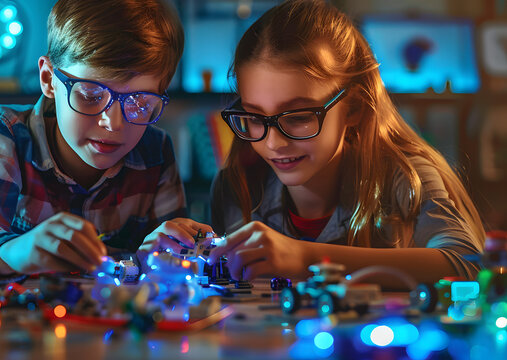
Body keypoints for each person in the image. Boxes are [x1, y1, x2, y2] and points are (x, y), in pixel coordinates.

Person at [0, 0, 211, 290]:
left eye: (139, 102)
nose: (114, 124)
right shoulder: (3, 134)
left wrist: (166, 255)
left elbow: (167, 261)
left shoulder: (156, 152)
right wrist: (22, 251)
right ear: (48, 79)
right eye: (92, 95)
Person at [207, 0, 485, 289]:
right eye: (254, 117)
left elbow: (468, 265)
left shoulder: (406, 176)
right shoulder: (235, 188)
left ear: (354, 107)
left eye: (300, 116)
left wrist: (306, 258)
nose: (274, 142)